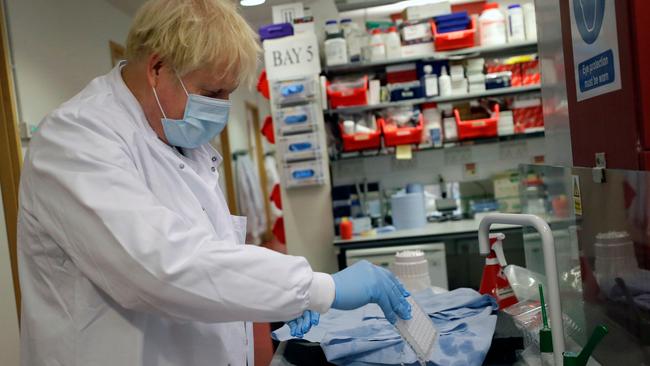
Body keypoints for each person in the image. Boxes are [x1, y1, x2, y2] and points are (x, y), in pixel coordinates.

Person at [17, 1, 411, 365]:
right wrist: (317, 288)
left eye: (229, 93)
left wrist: (277, 299)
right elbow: (162, 265)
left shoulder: (180, 141)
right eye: (212, 92)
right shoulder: (76, 138)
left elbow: (211, 256)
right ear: (157, 68)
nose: (222, 106)